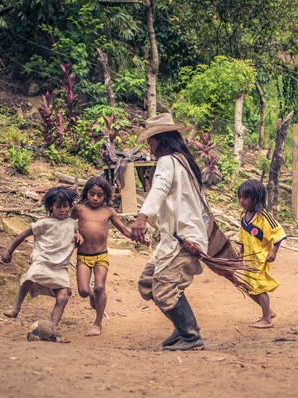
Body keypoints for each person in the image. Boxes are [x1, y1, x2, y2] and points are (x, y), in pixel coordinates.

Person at [128, 113, 211, 352]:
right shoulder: (185, 163)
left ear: (160, 139)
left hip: (183, 239)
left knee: (164, 289)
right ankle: (183, 325)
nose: (149, 146)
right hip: (178, 237)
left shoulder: (168, 162)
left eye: (151, 140)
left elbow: (159, 188)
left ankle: (191, 335)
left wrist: (142, 217)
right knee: (147, 282)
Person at [1, 186, 77, 336]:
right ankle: (16, 308)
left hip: (60, 267)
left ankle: (52, 328)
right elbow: (22, 236)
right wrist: (9, 251)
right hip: (42, 261)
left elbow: (82, 232)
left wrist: (80, 235)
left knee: (63, 297)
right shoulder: (43, 223)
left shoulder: (73, 224)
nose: (62, 210)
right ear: (50, 207)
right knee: (29, 277)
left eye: (65, 206)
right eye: (58, 206)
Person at [72, 177, 133, 336]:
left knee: (100, 287)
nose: (95, 198)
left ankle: (98, 323)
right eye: (92, 194)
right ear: (87, 193)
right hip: (83, 256)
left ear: (106, 196)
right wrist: (75, 232)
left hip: (101, 255)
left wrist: (140, 237)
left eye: (99, 195)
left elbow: (125, 230)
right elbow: (67, 225)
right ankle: (91, 295)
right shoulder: (79, 209)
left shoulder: (108, 212)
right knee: (84, 291)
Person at [236, 179, 286, 328]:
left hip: (261, 258)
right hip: (249, 259)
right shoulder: (243, 217)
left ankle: (266, 319)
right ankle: (268, 311)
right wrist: (241, 251)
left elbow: (278, 232)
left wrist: (274, 251)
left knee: (259, 287)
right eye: (240, 197)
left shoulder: (264, 217)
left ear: (256, 197)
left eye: (245, 197)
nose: (242, 201)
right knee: (248, 287)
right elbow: (243, 236)